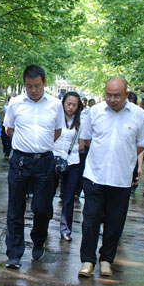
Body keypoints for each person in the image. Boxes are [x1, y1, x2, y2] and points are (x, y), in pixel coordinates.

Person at [78, 76, 144, 278]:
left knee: (115, 222)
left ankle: (106, 259)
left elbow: (141, 144)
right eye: (108, 95)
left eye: (117, 96)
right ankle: (87, 261)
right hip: (95, 175)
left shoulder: (139, 115)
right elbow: (86, 138)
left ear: (126, 95)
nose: (112, 99)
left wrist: (123, 157)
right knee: (90, 220)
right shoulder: (95, 111)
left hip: (121, 178)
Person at [3, 65, 65, 268]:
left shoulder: (55, 105)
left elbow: (57, 131)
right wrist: (26, 144)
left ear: (44, 83)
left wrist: (40, 146)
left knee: (42, 209)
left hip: (45, 162)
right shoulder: (15, 103)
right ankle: (14, 253)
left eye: (37, 85)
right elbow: (9, 129)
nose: (33, 90)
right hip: (20, 161)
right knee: (15, 209)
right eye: (29, 86)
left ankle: (38, 241)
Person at [53, 92, 83, 242]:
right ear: (63, 103)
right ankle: (43, 224)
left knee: (69, 196)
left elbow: (83, 142)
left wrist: (72, 151)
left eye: (74, 105)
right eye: (68, 104)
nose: (70, 107)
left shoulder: (81, 122)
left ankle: (65, 229)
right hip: (54, 159)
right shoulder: (55, 117)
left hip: (72, 161)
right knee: (47, 193)